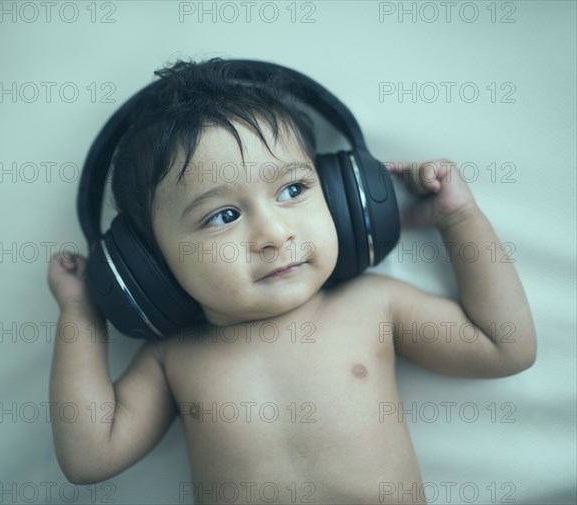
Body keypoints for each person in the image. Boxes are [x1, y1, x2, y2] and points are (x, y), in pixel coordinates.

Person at [47, 58, 537, 505]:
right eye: (223, 216)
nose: (275, 234)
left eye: (293, 189)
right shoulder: (174, 358)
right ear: (147, 263)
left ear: (346, 196)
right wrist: (82, 313)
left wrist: (457, 219)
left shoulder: (372, 306)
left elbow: (506, 346)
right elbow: (90, 457)